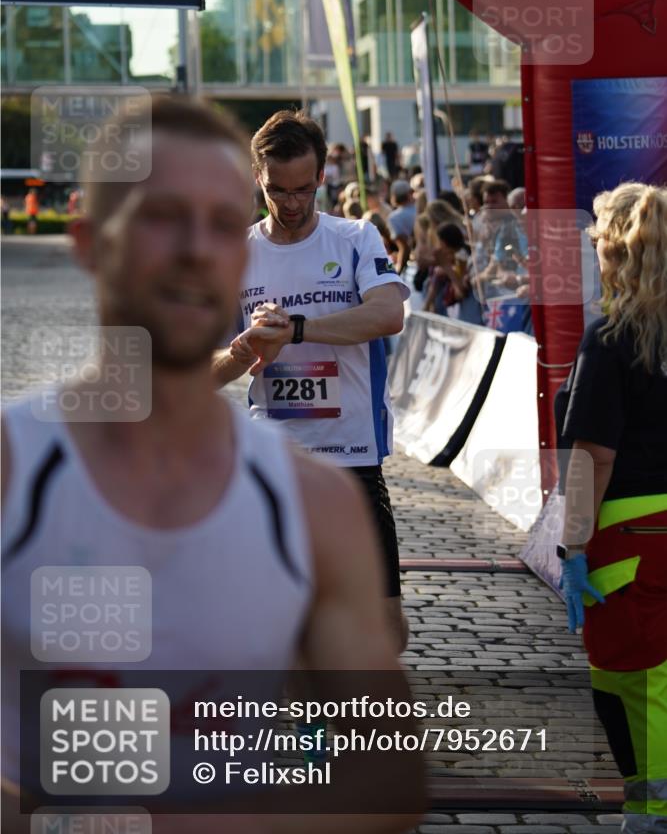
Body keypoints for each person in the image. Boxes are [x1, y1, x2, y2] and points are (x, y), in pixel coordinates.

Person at [1, 96, 424, 832]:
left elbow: (387, 778)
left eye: (221, 226)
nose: (197, 249)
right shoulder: (12, 466)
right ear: (88, 244)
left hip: (344, 456)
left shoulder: (312, 502)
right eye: (162, 217)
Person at [213, 110, 411, 651]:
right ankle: (311, 728)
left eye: (304, 188)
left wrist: (295, 330)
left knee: (388, 634)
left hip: (352, 459)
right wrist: (248, 345)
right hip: (275, 461)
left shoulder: (354, 238)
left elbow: (388, 315)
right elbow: (201, 371)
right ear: (258, 178)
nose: (292, 203)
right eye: (278, 190)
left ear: (323, 176)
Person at [556, 182, 667, 834]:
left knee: (629, 682)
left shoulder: (611, 339)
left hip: (632, 531)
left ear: (614, 252)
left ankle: (650, 810)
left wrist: (571, 549)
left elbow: (590, 455)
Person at [387, 180, 416, 275]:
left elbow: (404, 247)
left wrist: (398, 269)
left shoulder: (394, 218)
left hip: (413, 264)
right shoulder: (420, 209)